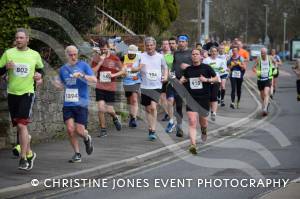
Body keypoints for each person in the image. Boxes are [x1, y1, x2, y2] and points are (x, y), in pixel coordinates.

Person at [0, 28, 44, 170]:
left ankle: (23, 158)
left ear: (27, 39)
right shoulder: (8, 53)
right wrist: (6, 67)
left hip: (27, 93)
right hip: (13, 93)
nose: (18, 40)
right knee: (20, 127)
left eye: (21, 38)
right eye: (17, 37)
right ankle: (30, 153)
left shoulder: (34, 54)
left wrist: (39, 76)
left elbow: (41, 70)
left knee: (21, 125)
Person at [54, 45, 96, 163]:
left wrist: (82, 75)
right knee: (70, 129)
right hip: (68, 104)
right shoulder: (63, 69)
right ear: (66, 55)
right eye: (70, 55)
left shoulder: (83, 66)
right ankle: (77, 154)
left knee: (79, 131)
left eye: (75, 54)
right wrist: (57, 85)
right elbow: (61, 85)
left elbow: (94, 79)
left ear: (77, 54)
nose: (73, 57)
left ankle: (87, 138)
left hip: (81, 103)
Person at [180, 49, 218, 154]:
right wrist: (182, 81)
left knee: (203, 122)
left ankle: (204, 130)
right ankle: (193, 145)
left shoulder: (206, 68)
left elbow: (216, 78)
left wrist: (207, 80)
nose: (195, 56)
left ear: (200, 56)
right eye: (193, 54)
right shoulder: (188, 70)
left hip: (204, 98)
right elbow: (182, 80)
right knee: (192, 121)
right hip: (191, 99)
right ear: (191, 57)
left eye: (197, 54)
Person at [133, 37, 168, 140]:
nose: (149, 47)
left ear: (155, 46)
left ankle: (153, 130)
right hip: (145, 86)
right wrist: (139, 67)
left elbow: (165, 68)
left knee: (153, 107)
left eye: (151, 45)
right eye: (147, 45)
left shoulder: (160, 56)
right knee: (148, 109)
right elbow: (133, 68)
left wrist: (165, 77)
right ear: (145, 46)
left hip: (156, 85)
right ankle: (150, 128)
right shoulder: (140, 56)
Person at [91, 39, 124, 137]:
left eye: (105, 49)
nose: (103, 51)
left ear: (108, 48)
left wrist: (114, 75)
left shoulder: (114, 58)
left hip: (110, 87)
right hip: (100, 86)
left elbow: (123, 71)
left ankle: (115, 117)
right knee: (101, 108)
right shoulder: (96, 58)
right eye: (101, 49)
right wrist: (101, 61)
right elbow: (93, 71)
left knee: (109, 109)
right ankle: (103, 130)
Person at [170, 34, 193, 137]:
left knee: (190, 107)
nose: (181, 43)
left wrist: (188, 66)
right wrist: (172, 75)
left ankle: (192, 127)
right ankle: (179, 128)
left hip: (189, 82)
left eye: (183, 41)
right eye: (180, 41)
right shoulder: (176, 53)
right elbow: (174, 67)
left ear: (187, 42)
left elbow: (198, 66)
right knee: (178, 105)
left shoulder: (192, 53)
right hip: (179, 82)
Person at [203, 46, 226, 121]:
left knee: (214, 97)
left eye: (215, 51)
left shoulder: (220, 61)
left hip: (216, 81)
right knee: (208, 97)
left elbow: (223, 71)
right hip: (207, 81)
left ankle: (214, 113)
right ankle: (211, 110)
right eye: (212, 51)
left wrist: (221, 70)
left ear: (217, 52)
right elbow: (203, 70)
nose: (214, 53)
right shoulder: (206, 60)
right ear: (210, 52)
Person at [122, 44, 141, 127]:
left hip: (136, 81)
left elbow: (142, 67)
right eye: (130, 52)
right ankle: (131, 116)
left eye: (134, 52)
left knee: (134, 99)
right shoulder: (124, 57)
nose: (132, 54)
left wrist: (136, 70)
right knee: (129, 100)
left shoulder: (139, 57)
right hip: (126, 82)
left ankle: (134, 118)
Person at [252, 48, 274, 116]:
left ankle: (264, 109)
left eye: (263, 53)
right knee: (262, 96)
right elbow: (253, 68)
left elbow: (276, 63)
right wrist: (256, 72)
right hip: (260, 80)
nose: (262, 54)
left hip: (268, 79)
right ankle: (267, 104)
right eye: (261, 53)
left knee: (266, 93)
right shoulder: (259, 59)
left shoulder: (270, 58)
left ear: (266, 53)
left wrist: (274, 69)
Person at [160, 40, 174, 122]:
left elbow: (170, 67)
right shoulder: (159, 54)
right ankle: (167, 113)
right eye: (163, 44)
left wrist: (168, 77)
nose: (165, 45)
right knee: (162, 97)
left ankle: (170, 113)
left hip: (169, 78)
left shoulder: (170, 55)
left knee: (170, 98)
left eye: (167, 44)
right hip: (160, 77)